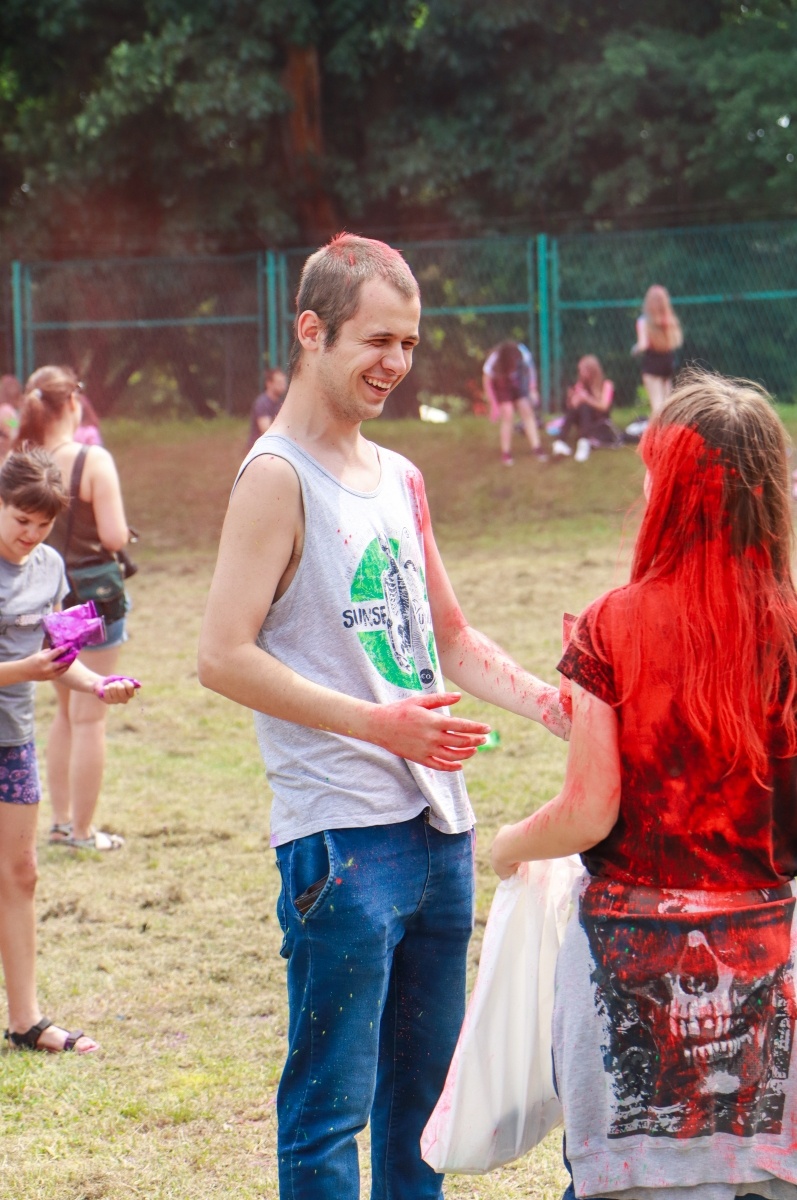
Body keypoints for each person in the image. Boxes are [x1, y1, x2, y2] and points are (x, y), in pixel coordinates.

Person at [198, 232, 570, 1200]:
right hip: (341, 841)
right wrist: (380, 726)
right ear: (310, 330)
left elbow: (448, 635)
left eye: (407, 343)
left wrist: (552, 705)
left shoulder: (400, 476)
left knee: (424, 1112)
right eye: (376, 340)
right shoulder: (275, 476)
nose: (395, 363)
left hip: (439, 832)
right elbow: (220, 656)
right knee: (328, 1115)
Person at [491, 370, 797, 1200]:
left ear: (669, 490)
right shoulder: (788, 628)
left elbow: (587, 810)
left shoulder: (613, 623)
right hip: (768, 968)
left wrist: (506, 846)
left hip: (628, 974)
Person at [0, 448, 138, 1054]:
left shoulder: (50, 567)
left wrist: (98, 685)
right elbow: (33, 666)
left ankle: (26, 1021)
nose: (30, 535)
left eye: (42, 524)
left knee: (21, 873)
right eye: (19, 520)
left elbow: (58, 657)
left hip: (12, 740)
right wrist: (24, 670)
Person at [18, 365, 132, 851]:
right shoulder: (92, 460)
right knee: (90, 716)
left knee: (64, 713)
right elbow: (114, 536)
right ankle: (82, 832)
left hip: (44, 600)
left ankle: (61, 822)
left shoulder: (23, 464)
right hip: (94, 600)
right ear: (72, 404)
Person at [482, 339, 546, 465]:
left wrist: (533, 389)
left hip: (518, 383)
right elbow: (486, 380)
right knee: (508, 413)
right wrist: (494, 404)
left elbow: (531, 371)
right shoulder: (495, 358)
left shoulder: (523, 353)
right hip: (501, 385)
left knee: (527, 410)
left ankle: (537, 447)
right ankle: (506, 452)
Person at [551, 355, 616, 463]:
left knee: (585, 405)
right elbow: (572, 407)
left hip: (600, 421)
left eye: (582, 370)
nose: (580, 373)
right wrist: (574, 398)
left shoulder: (606, 384)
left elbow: (604, 407)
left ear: (591, 371)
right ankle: (561, 441)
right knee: (580, 407)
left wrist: (587, 399)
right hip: (585, 419)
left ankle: (584, 442)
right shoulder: (581, 384)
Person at [632, 284, 683, 416]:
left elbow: (643, 345)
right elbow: (676, 341)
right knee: (667, 402)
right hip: (667, 362)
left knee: (656, 403)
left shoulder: (644, 321)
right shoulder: (670, 321)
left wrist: (635, 350)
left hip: (652, 363)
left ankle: (658, 428)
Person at [246, 366, 288, 449]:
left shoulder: (280, 402)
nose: (283, 386)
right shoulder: (262, 403)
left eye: (284, 382)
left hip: (272, 445)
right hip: (260, 448)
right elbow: (266, 431)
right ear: (269, 384)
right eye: (279, 383)